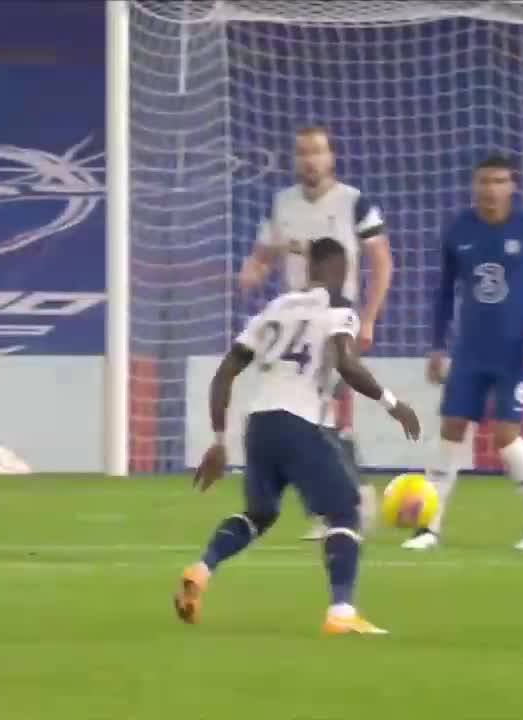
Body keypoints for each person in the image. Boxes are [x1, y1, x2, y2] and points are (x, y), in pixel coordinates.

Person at [176, 237, 420, 635]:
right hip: (299, 421)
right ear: (341, 270)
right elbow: (346, 363)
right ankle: (341, 612)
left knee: (260, 513)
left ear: (310, 268)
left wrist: (219, 439)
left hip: (259, 425)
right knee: (346, 511)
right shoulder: (339, 307)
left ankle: (201, 569)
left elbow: (225, 373)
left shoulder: (275, 308)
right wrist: (393, 404)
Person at [238, 126, 393, 538]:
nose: (310, 160)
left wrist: (369, 317)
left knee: (320, 412)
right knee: (318, 415)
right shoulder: (281, 204)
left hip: (337, 318)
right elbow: (263, 255)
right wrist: (252, 271)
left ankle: (345, 505)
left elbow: (381, 261)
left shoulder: (354, 202)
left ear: (331, 158)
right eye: (303, 152)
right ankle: (349, 501)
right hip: (295, 322)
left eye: (317, 152)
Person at [404, 154, 523, 551]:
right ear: (474, 186)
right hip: (469, 350)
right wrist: (437, 345)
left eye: (499, 181)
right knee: (451, 429)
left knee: (506, 436)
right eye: (484, 181)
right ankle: (428, 528)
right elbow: (443, 292)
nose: (490, 189)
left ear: (513, 186)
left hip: (515, 351)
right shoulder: (459, 230)